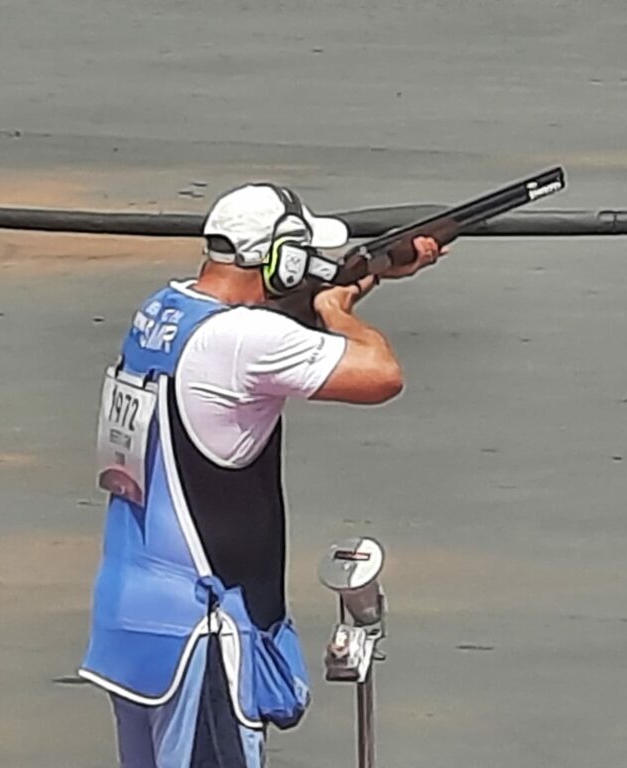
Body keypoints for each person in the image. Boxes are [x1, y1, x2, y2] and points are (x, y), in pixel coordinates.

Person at [79, 183, 445, 768]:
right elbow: (381, 374)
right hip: (202, 631)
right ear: (283, 260)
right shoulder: (244, 341)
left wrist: (366, 276)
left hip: (132, 617)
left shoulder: (162, 313)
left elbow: (262, 334)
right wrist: (337, 312)